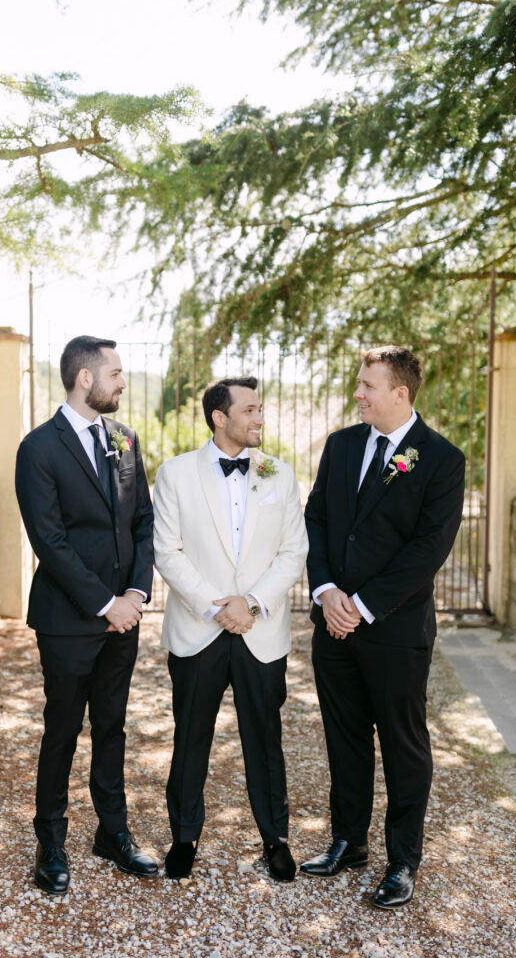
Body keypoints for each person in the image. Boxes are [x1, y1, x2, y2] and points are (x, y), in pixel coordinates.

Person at [301, 345, 465, 908]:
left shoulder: (442, 460)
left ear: (401, 393)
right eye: (358, 383)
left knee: (403, 746)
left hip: (394, 630)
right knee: (344, 739)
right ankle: (348, 842)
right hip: (333, 624)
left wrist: (361, 605)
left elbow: (427, 551)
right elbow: (318, 518)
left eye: (368, 385)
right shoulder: (342, 445)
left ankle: (402, 862)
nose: (358, 394)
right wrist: (326, 593)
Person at [15, 335, 157, 895]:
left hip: (125, 615)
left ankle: (112, 832)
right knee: (62, 729)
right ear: (84, 379)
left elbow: (142, 521)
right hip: (70, 619)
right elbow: (49, 541)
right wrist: (106, 604)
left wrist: (137, 596)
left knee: (113, 727)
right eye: (116, 373)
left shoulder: (124, 439)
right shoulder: (39, 449)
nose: (123, 382)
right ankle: (50, 841)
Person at [152, 377, 308, 882]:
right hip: (199, 629)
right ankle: (183, 836)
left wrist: (254, 604)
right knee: (190, 736)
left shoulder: (279, 476)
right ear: (220, 417)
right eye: (251, 409)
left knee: (265, 739)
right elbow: (167, 552)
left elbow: (293, 552)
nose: (260, 418)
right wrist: (215, 607)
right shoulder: (175, 474)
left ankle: (275, 839)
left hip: (260, 631)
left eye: (260, 408)